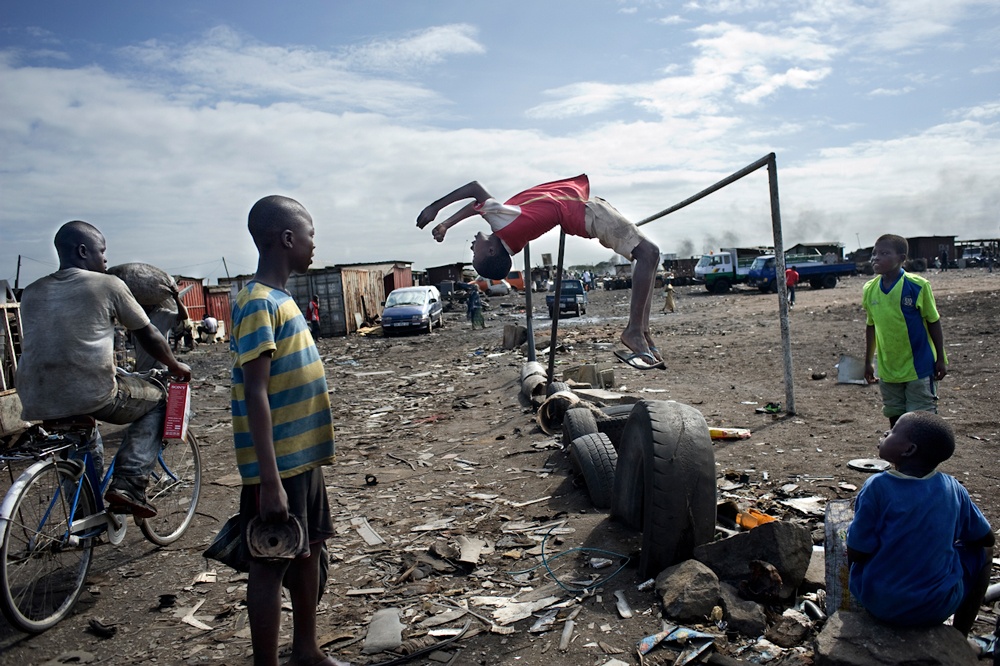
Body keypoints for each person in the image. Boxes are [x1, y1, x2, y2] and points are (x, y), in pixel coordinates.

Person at [229, 195, 345, 666]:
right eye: (312, 234)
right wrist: (269, 481)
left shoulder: (282, 299)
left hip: (304, 456)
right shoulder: (256, 302)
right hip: (278, 464)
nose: (316, 243)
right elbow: (254, 392)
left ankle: (306, 651)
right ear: (288, 238)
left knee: (309, 549)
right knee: (270, 561)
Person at [16, 221, 191, 518]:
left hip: (36, 398)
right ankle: (130, 483)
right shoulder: (109, 285)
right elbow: (149, 335)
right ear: (83, 251)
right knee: (159, 399)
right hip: (94, 392)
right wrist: (175, 365)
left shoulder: (31, 292)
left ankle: (85, 517)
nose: (106, 260)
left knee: (80, 438)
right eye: (102, 251)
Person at [417, 174, 663, 369]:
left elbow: (475, 204)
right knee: (648, 254)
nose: (471, 247)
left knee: (650, 256)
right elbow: (474, 187)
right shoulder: (502, 225)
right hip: (588, 213)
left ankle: (642, 330)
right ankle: (634, 331)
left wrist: (447, 223)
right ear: (491, 252)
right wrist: (435, 207)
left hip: (588, 209)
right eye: (475, 253)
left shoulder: (505, 228)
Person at [846, 411, 994, 635]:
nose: (886, 432)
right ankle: (960, 633)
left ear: (908, 450)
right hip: (937, 607)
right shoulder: (952, 488)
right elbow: (986, 538)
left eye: (893, 432)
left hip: (879, 602)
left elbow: (856, 552)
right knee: (986, 553)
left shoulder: (876, 487)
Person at [863, 234, 947, 428]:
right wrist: (868, 362)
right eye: (874, 253)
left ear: (902, 258)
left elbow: (934, 321)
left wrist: (940, 358)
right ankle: (900, 456)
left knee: (921, 418)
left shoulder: (917, 286)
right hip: (888, 368)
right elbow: (871, 326)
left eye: (884, 253)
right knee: (895, 416)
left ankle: (923, 457)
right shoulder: (869, 289)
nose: (876, 258)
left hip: (919, 366)